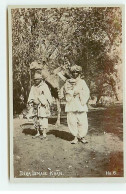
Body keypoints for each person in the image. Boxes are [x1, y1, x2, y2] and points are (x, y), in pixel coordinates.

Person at [58, 65, 90, 144]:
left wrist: (79, 92)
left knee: (82, 120)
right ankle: (75, 137)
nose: (75, 73)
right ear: (71, 73)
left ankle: (82, 136)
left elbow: (87, 92)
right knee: (72, 120)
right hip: (71, 103)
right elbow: (63, 92)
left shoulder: (82, 82)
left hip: (80, 103)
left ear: (79, 73)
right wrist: (68, 92)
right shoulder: (67, 82)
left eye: (77, 72)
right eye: (73, 72)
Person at [27, 73, 53, 139]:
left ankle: (44, 133)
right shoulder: (33, 87)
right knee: (35, 118)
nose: (36, 81)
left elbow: (48, 96)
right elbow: (31, 95)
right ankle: (37, 132)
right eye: (35, 80)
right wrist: (32, 100)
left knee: (43, 118)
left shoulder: (44, 86)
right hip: (35, 105)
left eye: (37, 79)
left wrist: (40, 99)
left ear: (40, 79)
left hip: (42, 105)